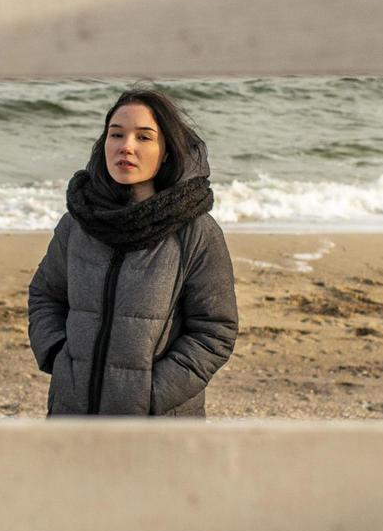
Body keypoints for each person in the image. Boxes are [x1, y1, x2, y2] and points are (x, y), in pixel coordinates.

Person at [27, 85, 238, 417]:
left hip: (157, 425)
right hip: (72, 414)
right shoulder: (78, 223)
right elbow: (45, 295)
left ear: (166, 150)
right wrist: (58, 356)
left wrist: (150, 394)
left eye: (144, 137)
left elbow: (215, 330)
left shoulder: (196, 232)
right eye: (116, 134)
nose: (126, 146)